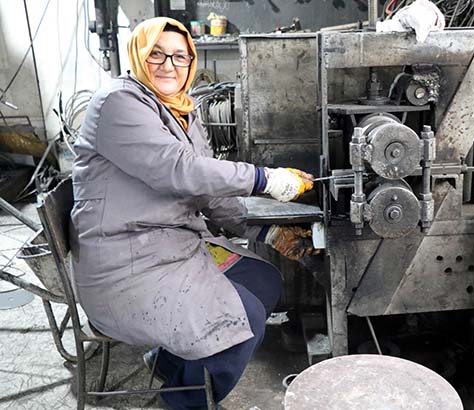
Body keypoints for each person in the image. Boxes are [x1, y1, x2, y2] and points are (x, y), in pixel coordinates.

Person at [70, 17, 316, 409]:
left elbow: (206, 189)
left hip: (172, 248)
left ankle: (169, 363)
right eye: (157, 54)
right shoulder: (117, 103)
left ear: (191, 62)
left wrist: (263, 233)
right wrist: (263, 178)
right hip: (125, 263)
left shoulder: (181, 109)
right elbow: (180, 170)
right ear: (138, 55)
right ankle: (183, 401)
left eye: (179, 56)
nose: (169, 65)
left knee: (264, 281)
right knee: (241, 321)